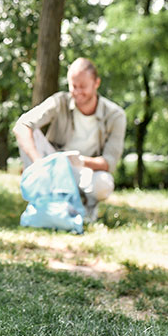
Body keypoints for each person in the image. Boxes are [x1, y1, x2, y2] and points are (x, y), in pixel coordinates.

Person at [13, 58, 126, 221]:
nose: (78, 92)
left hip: (86, 171)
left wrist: (78, 160)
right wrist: (38, 162)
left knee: (104, 183)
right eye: (74, 86)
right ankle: (44, 201)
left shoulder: (115, 115)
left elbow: (109, 162)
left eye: (83, 87)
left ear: (96, 83)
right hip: (53, 167)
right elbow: (22, 125)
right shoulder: (60, 102)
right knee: (31, 133)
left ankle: (85, 207)